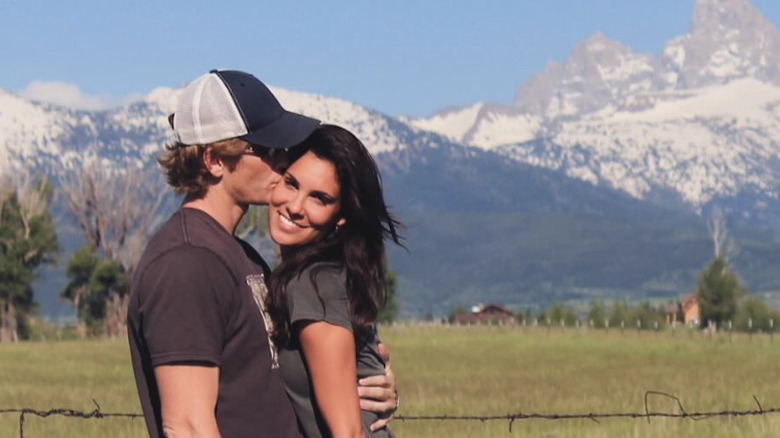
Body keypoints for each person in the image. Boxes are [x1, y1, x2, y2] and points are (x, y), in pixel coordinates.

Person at [127, 70, 397, 438]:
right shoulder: (186, 263)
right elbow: (188, 426)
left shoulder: (242, 256)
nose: (283, 161)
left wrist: (367, 383)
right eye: (267, 150)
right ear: (214, 160)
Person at [265, 125, 403, 438]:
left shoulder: (314, 283)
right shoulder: (314, 275)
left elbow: (349, 434)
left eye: (319, 198)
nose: (296, 207)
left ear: (341, 216)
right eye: (291, 184)